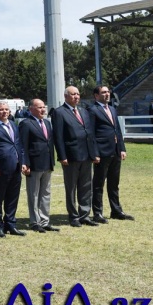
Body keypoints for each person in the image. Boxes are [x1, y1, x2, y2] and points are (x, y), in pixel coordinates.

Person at [51, 86, 98, 227]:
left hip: (86, 155)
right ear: (66, 96)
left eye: (78, 94)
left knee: (86, 186)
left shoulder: (84, 111)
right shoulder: (59, 113)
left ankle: (85, 215)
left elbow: (90, 134)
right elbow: (58, 136)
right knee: (71, 187)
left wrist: (94, 153)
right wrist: (62, 156)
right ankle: (73, 216)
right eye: (73, 94)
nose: (76, 97)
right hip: (71, 156)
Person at [89, 85, 133, 222]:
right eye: (103, 92)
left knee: (114, 183)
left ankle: (116, 210)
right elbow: (90, 134)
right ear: (96, 95)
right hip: (101, 152)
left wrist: (122, 148)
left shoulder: (112, 109)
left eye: (108, 92)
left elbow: (117, 130)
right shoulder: (92, 110)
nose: (107, 94)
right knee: (98, 184)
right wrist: (94, 153)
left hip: (115, 151)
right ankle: (97, 213)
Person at [0, 101, 26, 237]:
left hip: (15, 167)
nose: (5, 112)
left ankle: (10, 224)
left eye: (7, 109)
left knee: (12, 198)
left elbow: (19, 145)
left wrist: (23, 162)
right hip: (0, 169)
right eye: (1, 110)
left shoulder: (13, 125)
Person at [18, 99, 58, 233]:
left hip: (47, 163)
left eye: (44, 107)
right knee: (33, 194)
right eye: (39, 107)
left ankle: (44, 221)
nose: (43, 110)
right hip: (33, 165)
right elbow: (23, 145)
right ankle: (34, 222)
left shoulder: (47, 123)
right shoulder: (26, 124)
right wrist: (25, 163)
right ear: (31, 109)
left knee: (45, 193)